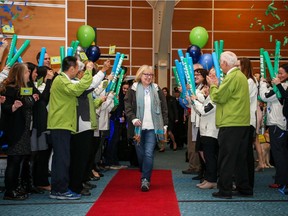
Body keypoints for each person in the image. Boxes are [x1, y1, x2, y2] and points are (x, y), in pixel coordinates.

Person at [207, 51, 252, 199]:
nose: (220, 66)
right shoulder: (241, 76)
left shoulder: (232, 77)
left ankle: (225, 190)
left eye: (220, 63)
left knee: (226, 158)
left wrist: (213, 86)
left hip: (231, 122)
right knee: (240, 158)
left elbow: (218, 97)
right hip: (242, 122)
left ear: (225, 64)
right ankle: (244, 188)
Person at [47, 56, 93, 200]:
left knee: (61, 158)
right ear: (72, 68)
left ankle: (58, 188)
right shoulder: (61, 80)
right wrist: (89, 72)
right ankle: (60, 190)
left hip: (64, 124)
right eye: (78, 69)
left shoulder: (62, 80)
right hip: (60, 124)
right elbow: (77, 90)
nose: (78, 72)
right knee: (62, 159)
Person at [124, 65, 168, 192]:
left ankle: (145, 179)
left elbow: (164, 108)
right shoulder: (132, 89)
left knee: (149, 153)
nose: (148, 77)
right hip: (137, 129)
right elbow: (127, 106)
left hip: (152, 128)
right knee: (141, 155)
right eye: (146, 74)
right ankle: (145, 171)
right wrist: (133, 118)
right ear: (140, 75)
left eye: (151, 75)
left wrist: (164, 124)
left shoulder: (156, 88)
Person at [0, 63, 39, 200]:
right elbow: (5, 107)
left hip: (24, 130)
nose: (29, 74)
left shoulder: (25, 87)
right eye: (26, 72)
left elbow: (28, 104)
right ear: (19, 74)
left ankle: (15, 187)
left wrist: (33, 100)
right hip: (15, 130)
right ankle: (10, 190)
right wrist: (13, 107)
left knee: (19, 159)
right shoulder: (11, 89)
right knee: (14, 160)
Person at [238, 57, 258, 189]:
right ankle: (245, 183)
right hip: (245, 120)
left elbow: (241, 99)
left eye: (239, 67)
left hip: (247, 121)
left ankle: (247, 184)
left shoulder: (249, 81)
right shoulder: (247, 81)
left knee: (246, 154)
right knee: (245, 153)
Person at [161, 87, 178, 151]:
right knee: (162, 133)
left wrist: (176, 118)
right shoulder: (160, 99)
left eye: (165, 91)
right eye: (163, 91)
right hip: (162, 118)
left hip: (170, 118)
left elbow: (175, 109)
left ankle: (174, 143)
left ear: (167, 92)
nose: (164, 92)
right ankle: (162, 147)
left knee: (169, 132)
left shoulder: (171, 99)